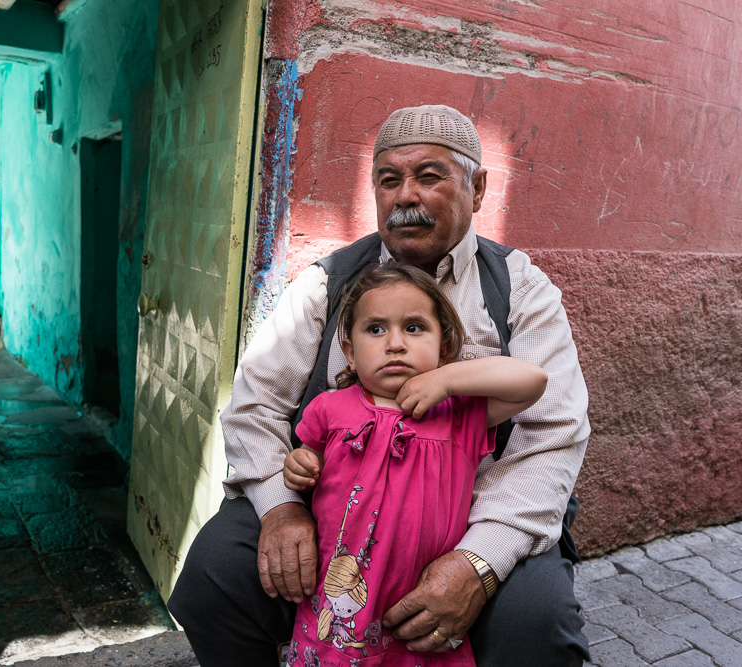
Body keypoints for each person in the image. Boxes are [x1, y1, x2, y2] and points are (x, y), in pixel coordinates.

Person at [168, 104, 590, 666]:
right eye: (388, 180)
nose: (405, 196)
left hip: (475, 511)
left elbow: (552, 432)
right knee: (214, 574)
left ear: (478, 189)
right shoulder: (326, 283)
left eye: (430, 176)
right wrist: (282, 508)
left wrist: (478, 561)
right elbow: (254, 407)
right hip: (339, 508)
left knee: (537, 626)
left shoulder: (521, 288)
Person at [282, 262, 548, 666]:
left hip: (421, 611)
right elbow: (310, 457)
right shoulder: (329, 408)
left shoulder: (458, 414)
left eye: (414, 327)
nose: (395, 344)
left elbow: (533, 380)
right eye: (375, 329)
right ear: (350, 353)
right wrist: (301, 464)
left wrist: (448, 380)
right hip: (340, 603)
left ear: (444, 347)